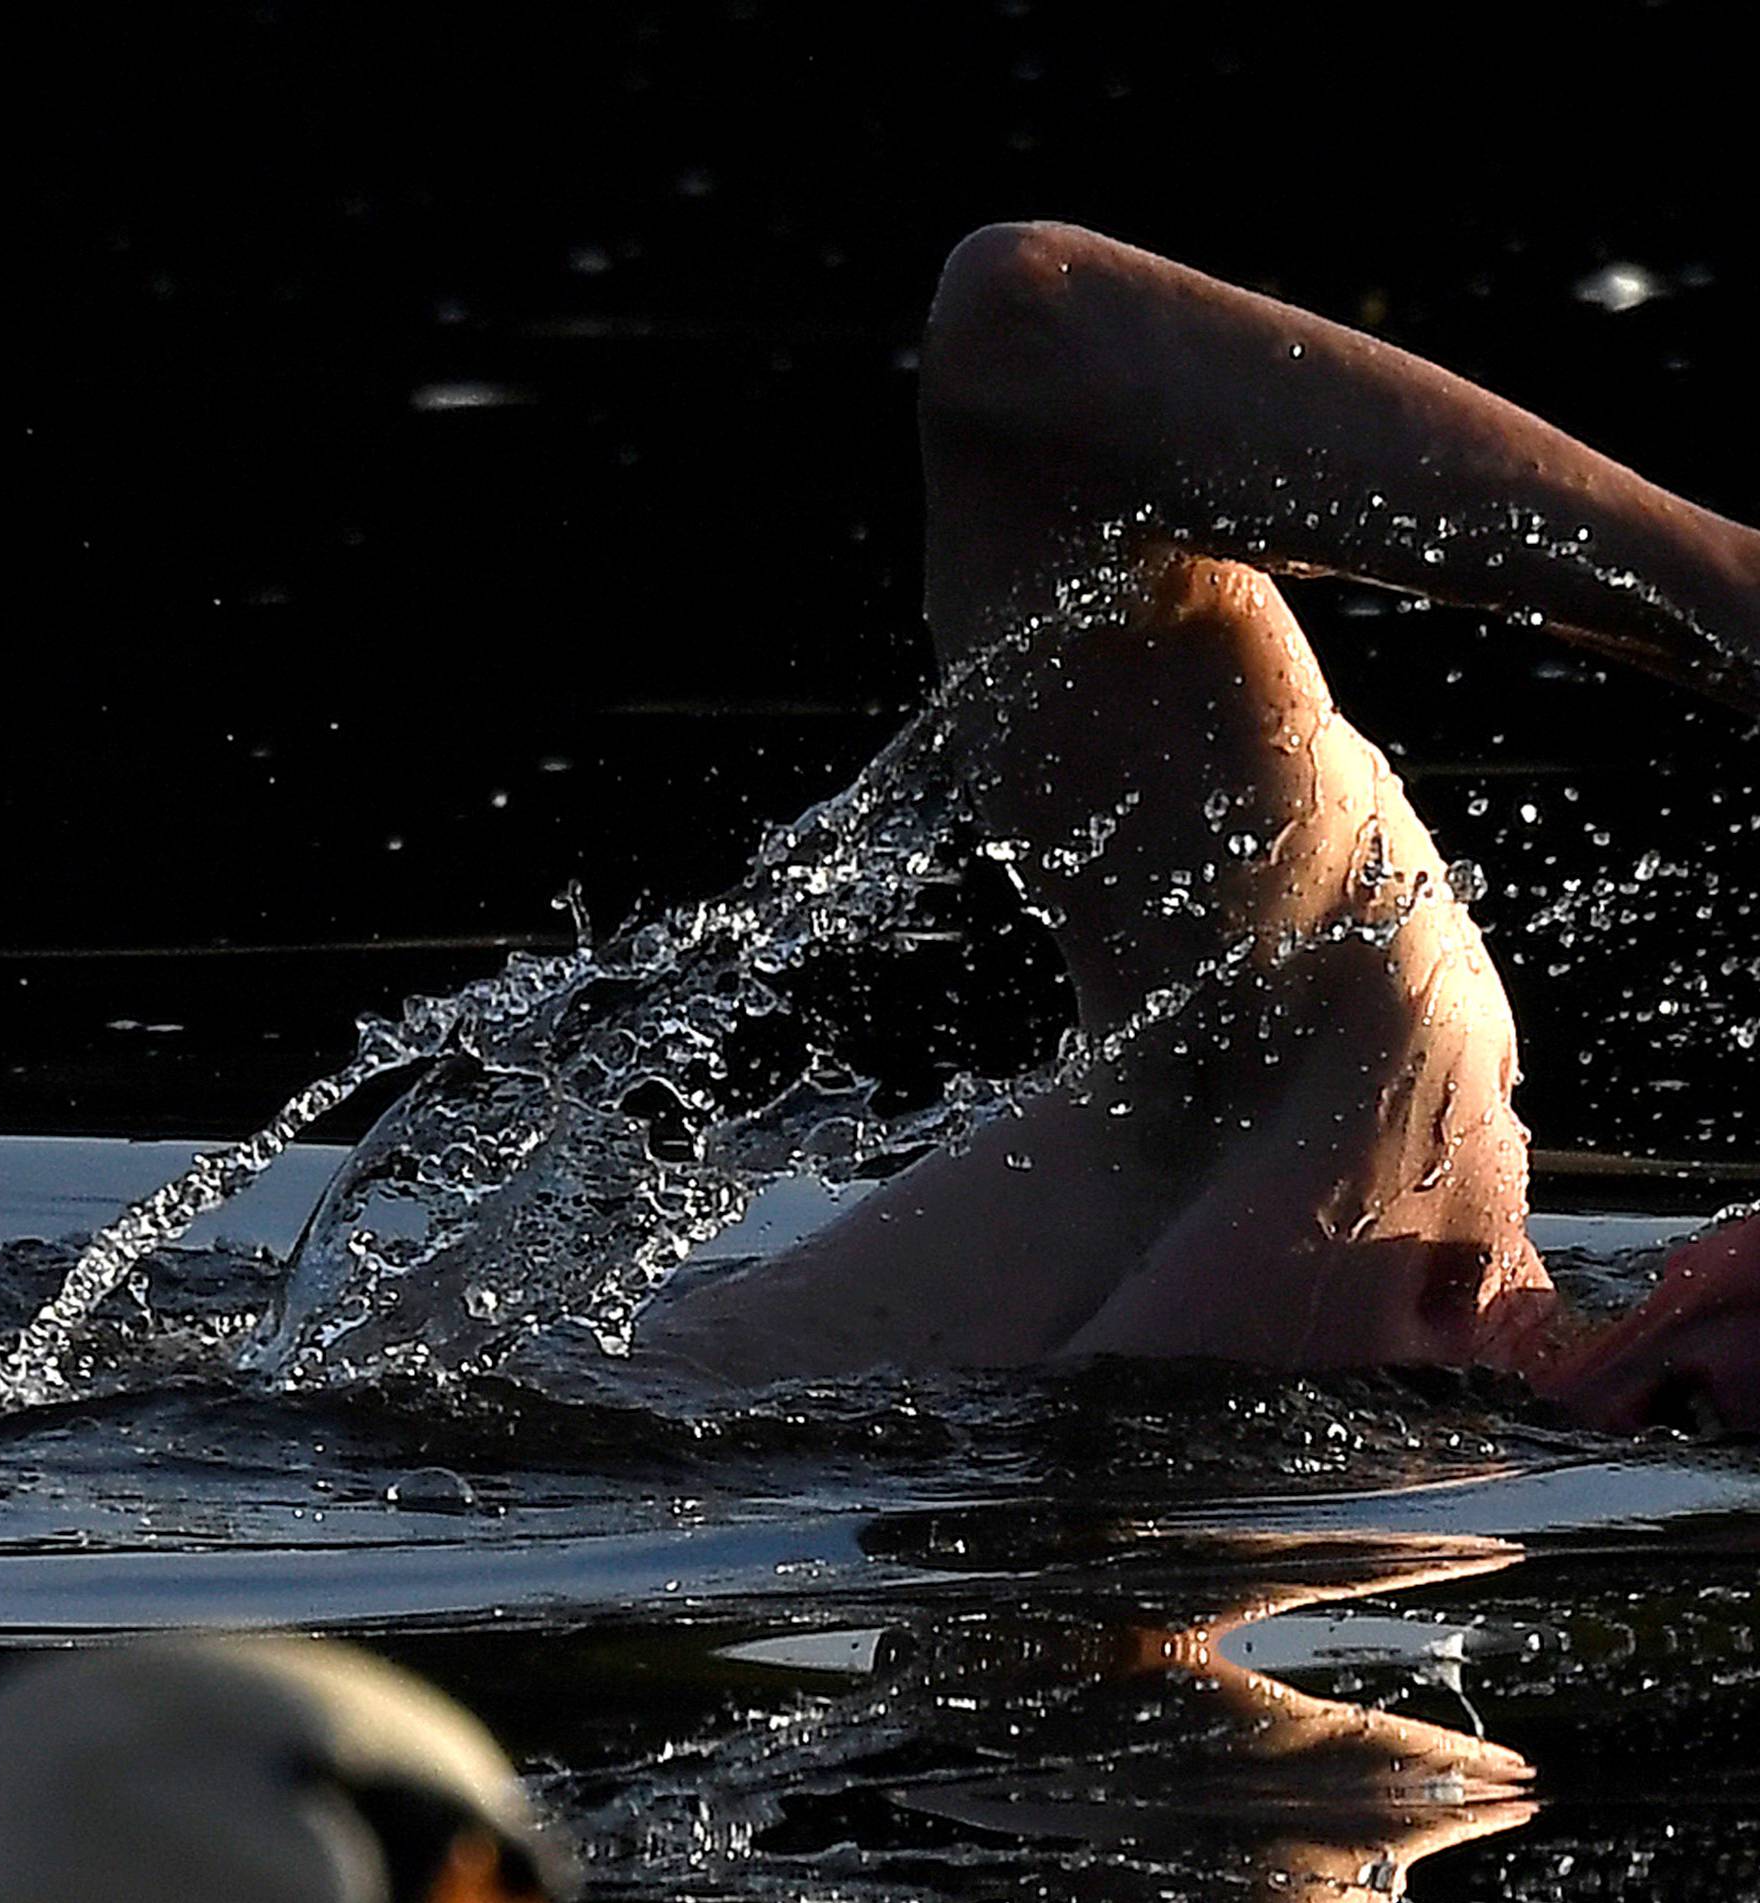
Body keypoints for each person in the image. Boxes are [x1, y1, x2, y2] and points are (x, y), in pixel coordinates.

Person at [638, 224, 1760, 1429]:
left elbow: (1034, 332)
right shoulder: (1384, 1291)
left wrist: (1726, 597)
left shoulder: (1385, 1088)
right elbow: (1030, 339)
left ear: (1690, 1366)